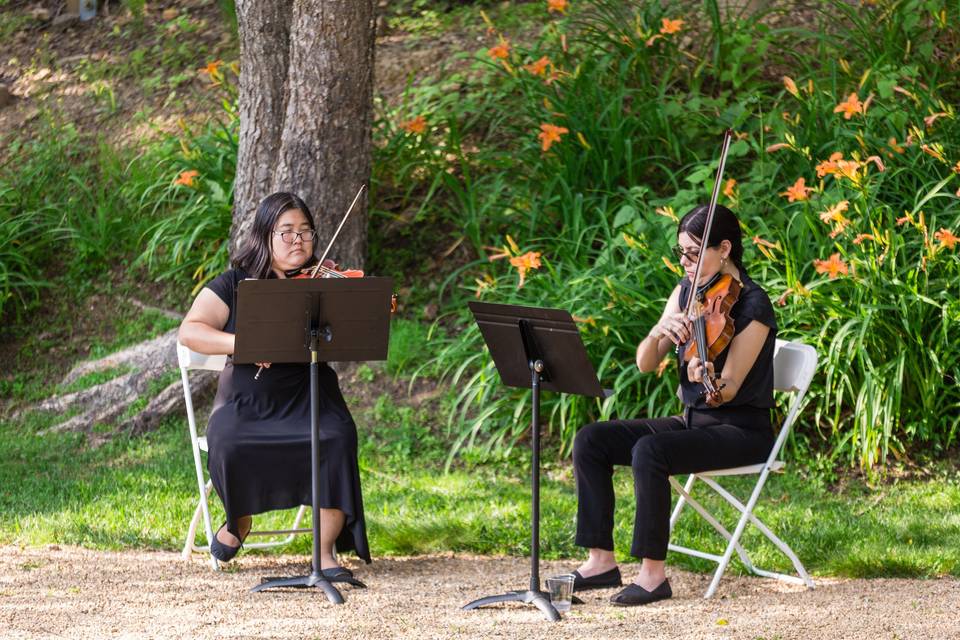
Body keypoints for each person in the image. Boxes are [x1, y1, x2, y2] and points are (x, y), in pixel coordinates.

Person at [570, 204, 777, 606]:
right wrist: (660, 332)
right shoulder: (687, 293)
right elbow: (646, 363)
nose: (684, 262)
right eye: (681, 251)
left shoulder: (754, 305)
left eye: (693, 253)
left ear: (724, 249)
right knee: (591, 438)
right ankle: (600, 562)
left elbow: (729, 388)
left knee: (651, 450)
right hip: (692, 422)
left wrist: (708, 377)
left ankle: (652, 576)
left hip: (742, 431)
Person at [178, 192, 370, 576]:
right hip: (249, 396)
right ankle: (239, 520)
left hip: (309, 391)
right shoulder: (235, 284)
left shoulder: (323, 284)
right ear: (265, 236)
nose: (298, 240)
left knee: (336, 436)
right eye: (287, 232)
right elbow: (190, 331)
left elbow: (357, 328)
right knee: (229, 440)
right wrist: (246, 342)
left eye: (305, 232)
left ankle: (325, 552)